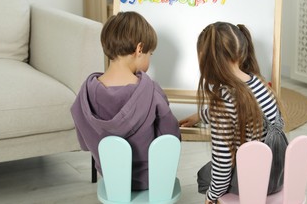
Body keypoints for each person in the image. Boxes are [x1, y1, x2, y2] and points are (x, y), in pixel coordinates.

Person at [71, 11, 181, 191]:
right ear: (139, 49)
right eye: (150, 53)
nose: (149, 59)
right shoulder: (151, 91)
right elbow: (170, 139)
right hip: (150, 179)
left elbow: (84, 142)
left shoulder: (86, 92)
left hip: (111, 178)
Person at [179, 22, 286, 204]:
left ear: (207, 59)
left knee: (205, 175)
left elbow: (223, 165)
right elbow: (239, 114)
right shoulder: (258, 82)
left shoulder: (224, 99)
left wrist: (211, 197)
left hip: (254, 183)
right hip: (277, 174)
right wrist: (201, 116)